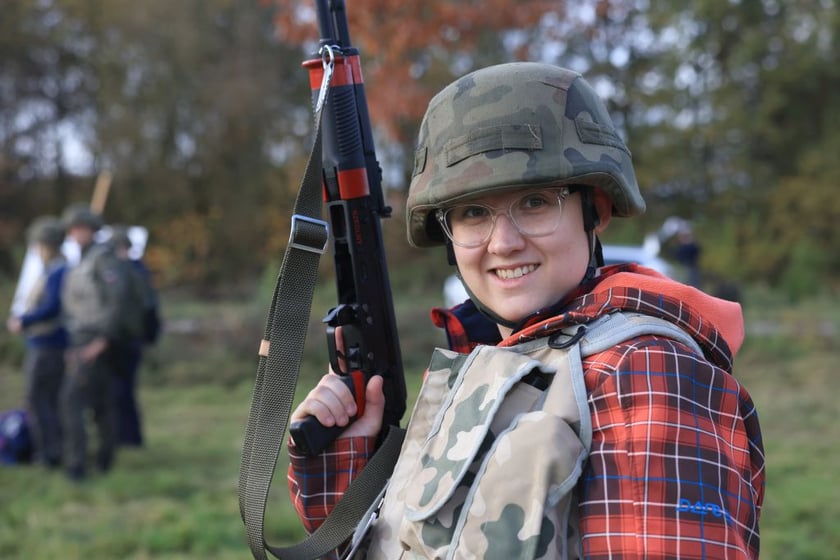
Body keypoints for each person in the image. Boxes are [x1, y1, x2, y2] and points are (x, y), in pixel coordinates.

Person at [286, 63, 765, 558]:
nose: (504, 242)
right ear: (449, 235)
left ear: (593, 210)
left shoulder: (643, 375)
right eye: (473, 212)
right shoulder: (492, 367)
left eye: (535, 202)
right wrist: (349, 464)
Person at [60, 204, 141, 481]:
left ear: (89, 229)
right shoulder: (82, 259)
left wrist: (102, 340)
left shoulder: (103, 259)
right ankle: (104, 459)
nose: (72, 234)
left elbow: (115, 302)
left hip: (97, 340)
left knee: (73, 401)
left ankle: (78, 465)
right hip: (81, 338)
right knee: (100, 403)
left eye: (76, 228)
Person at [6, 216, 68, 468]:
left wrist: (24, 320)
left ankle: (49, 454)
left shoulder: (58, 271)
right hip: (45, 344)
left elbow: (52, 307)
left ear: (46, 245)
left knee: (39, 398)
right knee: (46, 398)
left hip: (48, 345)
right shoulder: (55, 269)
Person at [108, 226, 160, 447]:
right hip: (123, 338)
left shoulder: (134, 272)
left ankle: (129, 438)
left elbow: (149, 307)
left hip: (128, 339)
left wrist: (147, 334)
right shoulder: (128, 271)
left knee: (124, 390)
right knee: (119, 390)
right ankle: (124, 436)